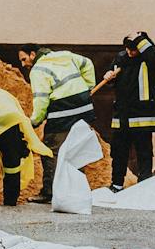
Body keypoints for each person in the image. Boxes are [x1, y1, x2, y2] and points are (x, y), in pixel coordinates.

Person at [18, 45, 97, 203]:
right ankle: (75, 190)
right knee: (76, 150)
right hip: (85, 109)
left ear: (33, 54)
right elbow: (87, 63)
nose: (23, 64)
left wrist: (34, 121)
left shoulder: (38, 69)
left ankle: (49, 192)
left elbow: (41, 99)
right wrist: (88, 86)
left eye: (24, 59)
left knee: (50, 151)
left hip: (63, 113)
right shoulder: (65, 55)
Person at [100, 31, 155, 190]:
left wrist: (139, 38)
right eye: (128, 49)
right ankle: (116, 185)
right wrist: (109, 76)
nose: (130, 52)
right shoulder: (121, 58)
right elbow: (113, 81)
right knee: (118, 153)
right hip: (122, 115)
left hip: (143, 115)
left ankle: (145, 185)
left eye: (134, 49)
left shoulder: (151, 60)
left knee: (144, 153)